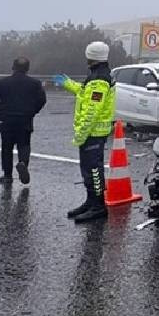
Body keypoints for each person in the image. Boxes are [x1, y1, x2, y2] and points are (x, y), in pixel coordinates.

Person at [55, 42, 116, 223]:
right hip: (93, 132)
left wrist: (81, 134)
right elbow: (84, 93)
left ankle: (98, 206)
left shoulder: (99, 79)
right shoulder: (97, 75)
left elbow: (92, 111)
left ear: (91, 56)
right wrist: (68, 84)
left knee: (94, 170)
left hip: (94, 133)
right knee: (88, 170)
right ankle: (91, 201)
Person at [0, 58, 48, 187]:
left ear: (13, 67)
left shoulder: (1, 83)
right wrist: (33, 111)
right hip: (25, 118)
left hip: (6, 119)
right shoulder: (35, 84)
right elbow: (42, 100)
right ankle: (23, 163)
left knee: (6, 148)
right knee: (24, 144)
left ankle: (7, 176)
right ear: (27, 68)